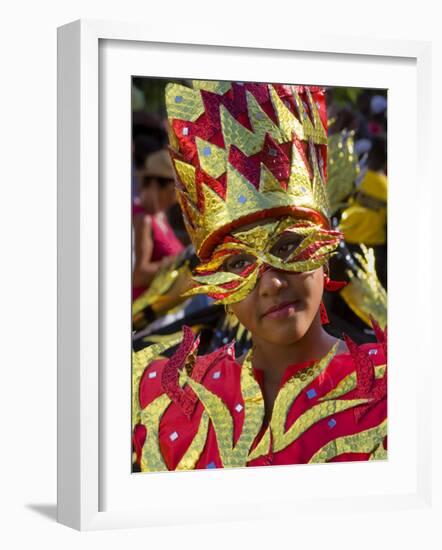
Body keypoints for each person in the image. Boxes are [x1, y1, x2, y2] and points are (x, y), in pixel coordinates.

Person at [132, 80, 387, 472]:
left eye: (286, 247)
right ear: (216, 285)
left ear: (325, 253)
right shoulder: (170, 401)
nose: (271, 283)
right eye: (237, 262)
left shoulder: (396, 388)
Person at [132, 148, 184, 300]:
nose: (174, 200)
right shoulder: (143, 219)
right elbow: (138, 275)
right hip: (146, 313)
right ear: (154, 185)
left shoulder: (160, 216)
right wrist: (176, 263)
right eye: (171, 192)